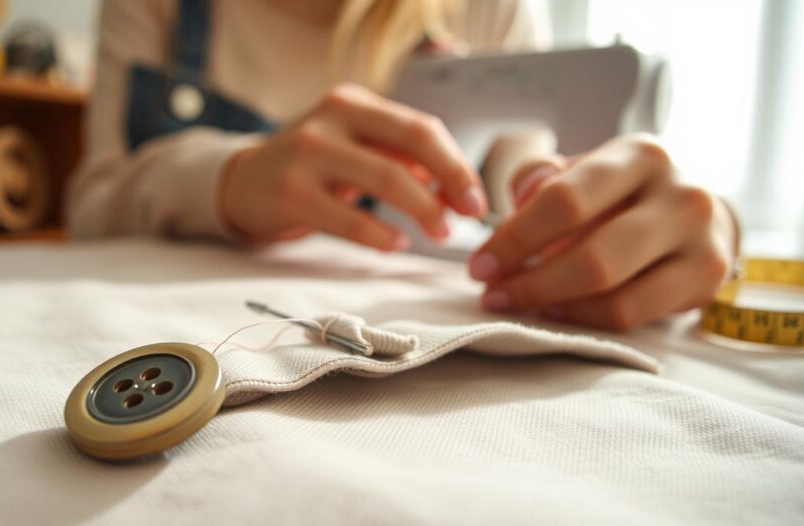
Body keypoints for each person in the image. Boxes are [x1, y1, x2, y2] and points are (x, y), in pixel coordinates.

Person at [67, 0, 740, 331]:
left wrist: (699, 228)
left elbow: (526, 159)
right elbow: (91, 202)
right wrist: (230, 177)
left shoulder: (486, 10)